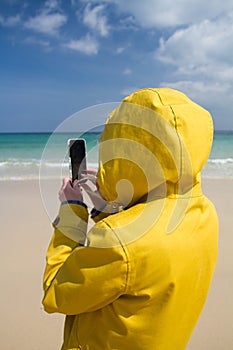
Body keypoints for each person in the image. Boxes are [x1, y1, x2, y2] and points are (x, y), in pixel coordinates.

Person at [42, 88, 218, 350]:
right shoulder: (205, 212)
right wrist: (107, 208)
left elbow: (56, 293)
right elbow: (139, 268)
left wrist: (72, 210)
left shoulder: (119, 241)